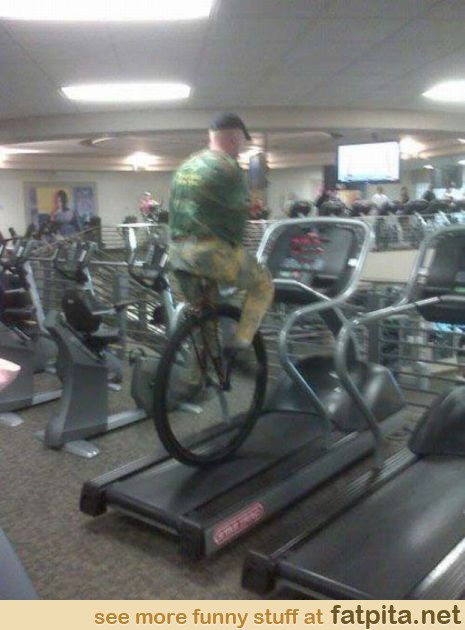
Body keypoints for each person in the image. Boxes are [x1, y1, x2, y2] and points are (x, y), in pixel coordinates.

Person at [169, 113, 274, 356]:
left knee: (204, 323)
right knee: (262, 283)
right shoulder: (228, 167)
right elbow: (236, 221)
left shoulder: (187, 165)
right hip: (209, 254)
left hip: (177, 254)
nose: (241, 148)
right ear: (235, 139)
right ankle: (242, 343)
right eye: (241, 142)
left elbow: (198, 206)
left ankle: (198, 374)